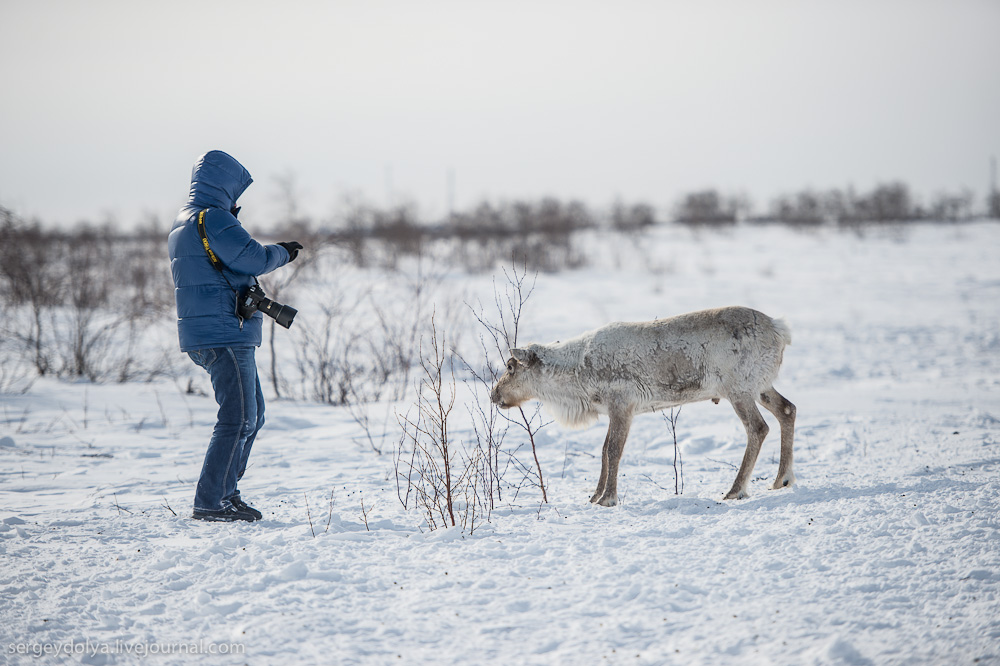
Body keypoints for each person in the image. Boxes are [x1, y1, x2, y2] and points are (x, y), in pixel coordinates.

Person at [168, 150, 303, 522]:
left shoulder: (187, 219)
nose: (237, 199)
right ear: (224, 185)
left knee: (252, 415)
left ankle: (226, 492)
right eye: (235, 190)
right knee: (239, 418)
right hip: (224, 331)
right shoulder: (213, 218)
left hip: (209, 331)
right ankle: (213, 500)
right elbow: (252, 258)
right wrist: (284, 252)